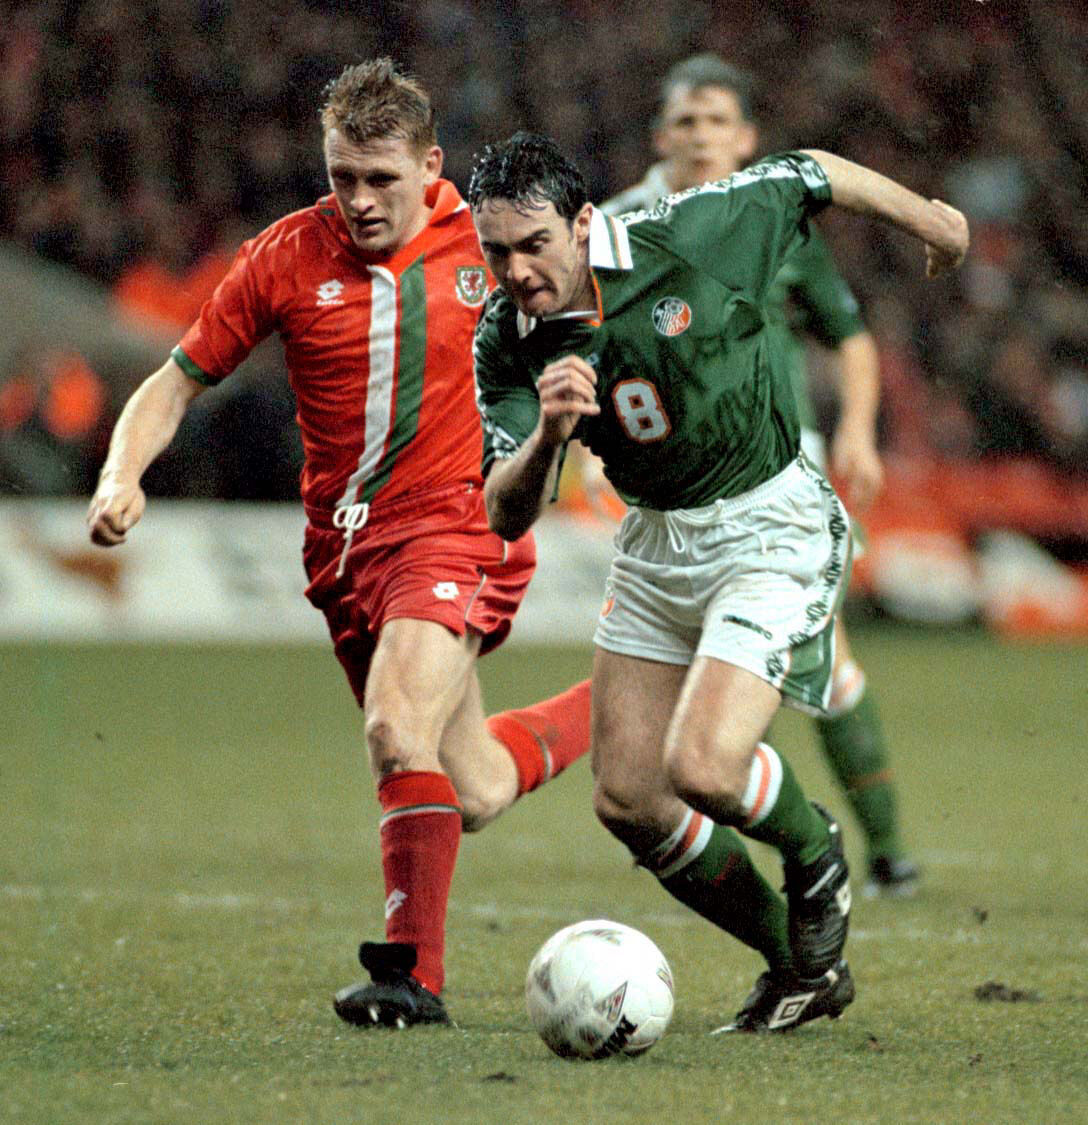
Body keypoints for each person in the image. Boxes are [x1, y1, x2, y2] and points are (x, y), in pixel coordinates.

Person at [86, 59, 592, 1031]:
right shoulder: (284, 257)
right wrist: (121, 475)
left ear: (430, 166)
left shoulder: (488, 243)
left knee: (393, 728)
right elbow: (175, 381)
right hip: (344, 554)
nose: (358, 201)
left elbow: (589, 292)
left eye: (380, 180)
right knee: (472, 784)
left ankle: (411, 977)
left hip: (458, 524)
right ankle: (624, 703)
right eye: (341, 178)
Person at [468, 132, 967, 1031]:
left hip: (767, 527)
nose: (515, 270)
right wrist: (547, 436)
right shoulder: (507, 340)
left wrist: (932, 221)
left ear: (583, 226)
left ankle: (815, 853)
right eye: (493, 249)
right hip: (656, 545)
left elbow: (813, 169)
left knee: (703, 767)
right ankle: (799, 966)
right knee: (627, 796)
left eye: (533, 244)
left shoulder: (691, 232)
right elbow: (505, 513)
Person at [601, 53, 919, 897]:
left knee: (825, 659)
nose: (700, 134)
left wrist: (857, 428)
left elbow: (848, 335)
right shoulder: (612, 231)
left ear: (745, 139)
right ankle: (738, 822)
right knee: (728, 684)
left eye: (716, 120)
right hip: (671, 488)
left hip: (779, 477)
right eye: (685, 119)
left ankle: (876, 849)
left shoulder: (772, 224)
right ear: (660, 133)